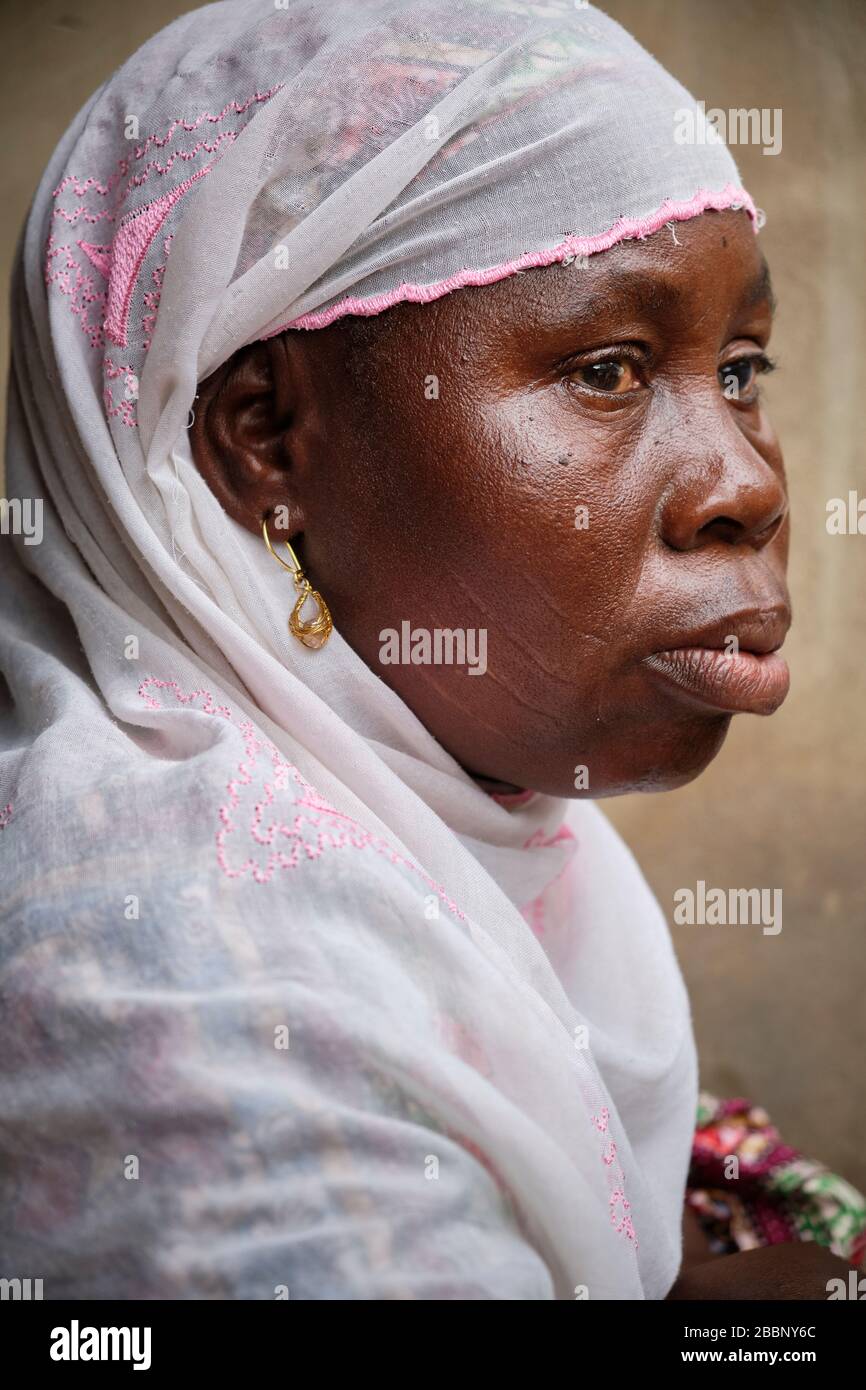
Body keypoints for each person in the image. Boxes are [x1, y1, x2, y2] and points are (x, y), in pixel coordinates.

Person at [1, 0, 861, 1299]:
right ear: (263, 441)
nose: (743, 483)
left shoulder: (430, 809)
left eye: (740, 368)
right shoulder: (188, 1003)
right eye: (609, 370)